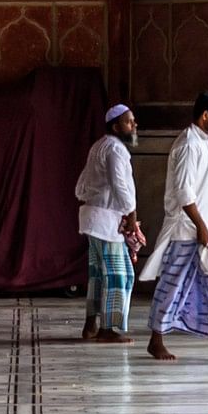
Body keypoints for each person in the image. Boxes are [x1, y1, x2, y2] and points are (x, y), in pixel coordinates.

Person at [138, 91, 208, 362]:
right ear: (205, 115)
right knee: (172, 284)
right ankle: (156, 340)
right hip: (186, 230)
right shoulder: (189, 144)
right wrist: (200, 225)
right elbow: (183, 192)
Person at [74, 102, 142, 343]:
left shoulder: (99, 146)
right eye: (129, 121)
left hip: (95, 219)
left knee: (98, 275)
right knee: (118, 275)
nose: (134, 125)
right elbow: (119, 184)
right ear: (116, 126)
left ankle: (91, 324)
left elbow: (81, 185)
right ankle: (108, 329)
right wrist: (131, 214)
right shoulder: (115, 149)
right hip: (105, 222)